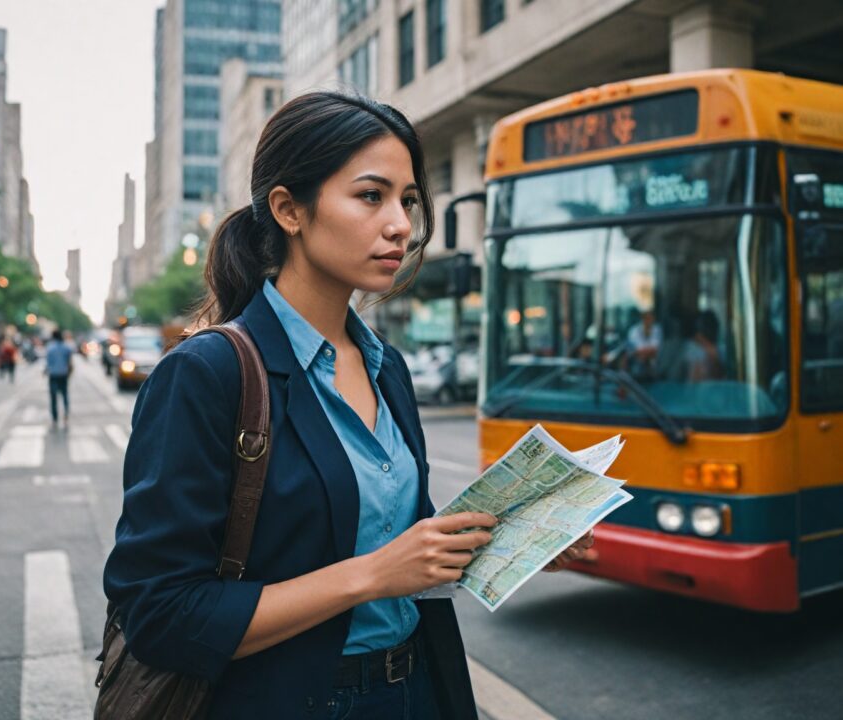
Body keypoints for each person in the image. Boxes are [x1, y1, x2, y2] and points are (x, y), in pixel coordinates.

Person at [102, 92, 593, 720]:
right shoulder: (205, 375)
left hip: (418, 691)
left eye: (409, 201)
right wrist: (371, 575)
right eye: (371, 196)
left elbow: (408, 537)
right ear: (289, 209)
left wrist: (517, 543)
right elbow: (161, 614)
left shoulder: (388, 367)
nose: (401, 226)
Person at [45, 329, 73, 427]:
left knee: (53, 398)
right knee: (65, 395)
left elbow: (48, 363)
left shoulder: (50, 348)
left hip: (53, 375)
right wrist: (69, 372)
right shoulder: (67, 348)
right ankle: (65, 415)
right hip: (63, 375)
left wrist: (45, 371)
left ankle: (54, 418)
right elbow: (70, 362)